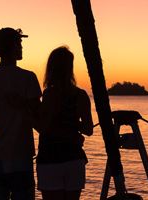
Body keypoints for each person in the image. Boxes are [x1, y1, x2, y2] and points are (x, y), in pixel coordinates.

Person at [0, 27, 41, 200]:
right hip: (21, 154)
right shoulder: (28, 78)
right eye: (18, 43)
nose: (21, 47)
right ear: (11, 46)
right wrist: (20, 106)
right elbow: (39, 118)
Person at [35, 47, 93, 200]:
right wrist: (72, 125)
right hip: (74, 158)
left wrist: (27, 113)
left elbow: (44, 128)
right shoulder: (80, 95)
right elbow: (88, 129)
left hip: (50, 159)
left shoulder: (49, 94)